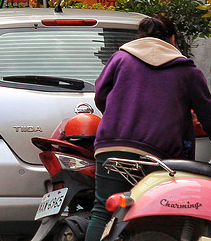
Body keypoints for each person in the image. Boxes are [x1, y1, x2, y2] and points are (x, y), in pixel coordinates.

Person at [85, 15, 211, 241]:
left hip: (112, 147)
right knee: (165, 214)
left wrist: (121, 118)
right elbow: (208, 115)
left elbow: (101, 97)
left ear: (140, 37)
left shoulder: (120, 59)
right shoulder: (187, 71)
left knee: (102, 211)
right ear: (172, 39)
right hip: (159, 156)